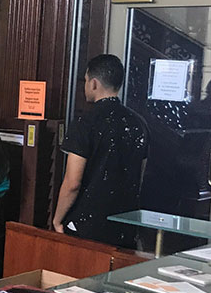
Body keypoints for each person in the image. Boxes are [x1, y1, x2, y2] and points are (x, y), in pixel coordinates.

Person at [52, 54, 148, 248]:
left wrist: (57, 219)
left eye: (86, 80)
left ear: (94, 83)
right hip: (125, 224)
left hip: (87, 225)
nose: (85, 85)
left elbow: (72, 183)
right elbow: (140, 174)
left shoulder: (85, 123)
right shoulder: (138, 124)